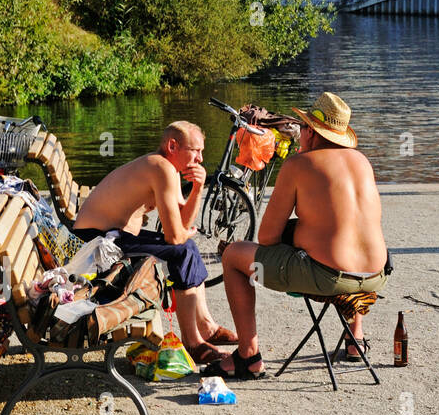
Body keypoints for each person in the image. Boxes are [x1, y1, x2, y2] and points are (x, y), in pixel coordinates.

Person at [206, 92, 390, 380]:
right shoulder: (361, 162)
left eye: (303, 127)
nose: (300, 134)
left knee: (232, 256)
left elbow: (266, 237)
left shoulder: (298, 165)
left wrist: (295, 231)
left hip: (329, 277)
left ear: (312, 133)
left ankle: (248, 356)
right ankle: (356, 340)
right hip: (375, 274)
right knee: (346, 243)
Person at [73, 122, 235, 364]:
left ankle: (206, 327)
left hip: (108, 237)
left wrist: (198, 188)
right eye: (196, 151)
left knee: (186, 249)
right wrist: (182, 235)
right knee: (184, 251)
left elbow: (181, 223)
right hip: (95, 244)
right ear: (172, 146)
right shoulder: (161, 168)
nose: (200, 158)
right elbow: (175, 237)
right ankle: (194, 342)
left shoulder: (166, 167)